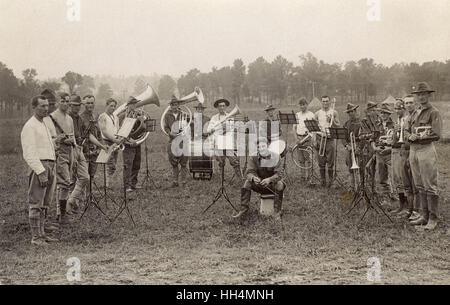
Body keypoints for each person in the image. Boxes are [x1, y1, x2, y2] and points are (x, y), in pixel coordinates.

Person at [21, 95, 59, 245]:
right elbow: (29, 153)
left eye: (47, 105)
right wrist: (40, 171)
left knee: (45, 202)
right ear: (34, 107)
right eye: (42, 106)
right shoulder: (30, 126)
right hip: (40, 167)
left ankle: (42, 234)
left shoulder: (43, 123)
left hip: (50, 164)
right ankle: (36, 237)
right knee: (36, 203)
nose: (46, 109)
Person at [407, 82, 442, 230]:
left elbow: (436, 134)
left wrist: (419, 138)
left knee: (430, 185)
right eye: (419, 94)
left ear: (429, 95)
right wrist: (409, 135)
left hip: (426, 149)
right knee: (419, 184)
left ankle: (433, 218)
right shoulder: (415, 112)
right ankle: (423, 215)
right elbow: (409, 129)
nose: (421, 97)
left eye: (424, 94)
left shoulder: (434, 112)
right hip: (413, 150)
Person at [232, 137, 286, 219]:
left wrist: (269, 180)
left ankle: (277, 212)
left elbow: (279, 174)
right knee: (247, 183)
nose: (261, 149)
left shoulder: (276, 156)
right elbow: (249, 172)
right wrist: (253, 178)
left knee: (280, 184)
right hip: (259, 184)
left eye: (263, 146)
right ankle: (243, 210)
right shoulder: (253, 157)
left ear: (268, 146)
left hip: (272, 185)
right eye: (258, 147)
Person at [50, 93, 76, 225]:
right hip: (60, 152)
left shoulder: (70, 118)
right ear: (57, 102)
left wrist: (73, 143)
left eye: (67, 101)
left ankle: (59, 213)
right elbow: (52, 137)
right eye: (63, 101)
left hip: (70, 151)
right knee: (65, 182)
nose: (65, 103)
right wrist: (63, 140)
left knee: (64, 184)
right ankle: (63, 215)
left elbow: (72, 136)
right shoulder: (52, 117)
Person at [208, 98, 243, 183]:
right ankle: (222, 179)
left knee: (234, 161)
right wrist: (212, 129)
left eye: (223, 106)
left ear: (226, 107)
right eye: (220, 106)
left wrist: (224, 128)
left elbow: (230, 131)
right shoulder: (214, 118)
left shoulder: (230, 117)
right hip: (218, 142)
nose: (222, 107)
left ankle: (240, 179)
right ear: (217, 107)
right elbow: (208, 129)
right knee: (221, 162)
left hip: (227, 142)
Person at [66, 95, 90, 213]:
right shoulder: (67, 118)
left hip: (79, 149)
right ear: (70, 105)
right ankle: (70, 206)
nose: (77, 108)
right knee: (71, 179)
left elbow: (86, 134)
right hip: (70, 150)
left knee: (85, 177)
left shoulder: (79, 119)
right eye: (74, 105)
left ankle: (71, 200)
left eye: (79, 105)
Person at [115, 98, 142, 192]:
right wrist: (129, 140)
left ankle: (133, 184)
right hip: (127, 143)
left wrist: (141, 120)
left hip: (137, 142)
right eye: (133, 104)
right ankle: (127, 186)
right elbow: (120, 131)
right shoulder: (122, 116)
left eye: (135, 104)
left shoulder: (138, 115)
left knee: (136, 164)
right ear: (128, 105)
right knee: (128, 165)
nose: (135, 106)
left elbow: (142, 128)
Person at [389, 99, 410, 217]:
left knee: (403, 178)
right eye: (396, 109)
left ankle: (407, 206)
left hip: (402, 150)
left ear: (404, 109)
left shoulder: (407, 119)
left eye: (399, 108)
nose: (397, 111)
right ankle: (401, 205)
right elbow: (394, 139)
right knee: (396, 178)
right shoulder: (397, 120)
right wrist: (394, 134)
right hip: (395, 149)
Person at [163, 96, 189, 187]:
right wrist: (169, 133)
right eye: (173, 105)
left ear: (178, 105)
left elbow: (190, 123)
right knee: (173, 162)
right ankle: (175, 181)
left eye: (176, 104)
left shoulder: (184, 114)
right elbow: (165, 127)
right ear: (170, 106)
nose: (175, 106)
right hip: (172, 139)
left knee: (184, 162)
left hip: (183, 140)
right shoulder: (167, 115)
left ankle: (184, 181)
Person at [371, 104, 394, 206]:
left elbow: (396, 140)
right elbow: (372, 139)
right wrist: (374, 148)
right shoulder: (376, 124)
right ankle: (386, 197)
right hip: (379, 152)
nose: (383, 115)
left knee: (395, 175)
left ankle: (396, 195)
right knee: (382, 175)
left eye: (385, 113)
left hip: (390, 152)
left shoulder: (393, 124)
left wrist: (389, 148)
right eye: (381, 113)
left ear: (389, 114)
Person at [314, 95, 340, 187]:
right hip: (320, 138)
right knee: (321, 161)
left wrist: (331, 121)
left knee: (330, 161)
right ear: (321, 102)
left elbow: (338, 125)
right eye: (323, 101)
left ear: (329, 102)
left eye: (327, 101)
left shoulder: (334, 112)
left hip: (330, 139)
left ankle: (331, 181)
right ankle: (323, 180)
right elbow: (314, 128)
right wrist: (314, 140)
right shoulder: (317, 113)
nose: (325, 103)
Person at [402, 95, 420, 221]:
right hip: (406, 151)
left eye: (411, 102)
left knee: (416, 183)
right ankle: (410, 208)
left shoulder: (418, 115)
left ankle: (417, 210)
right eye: (406, 103)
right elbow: (406, 134)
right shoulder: (407, 118)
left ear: (415, 103)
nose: (408, 105)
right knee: (407, 182)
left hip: (416, 151)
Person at [79, 95, 106, 178]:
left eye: (92, 103)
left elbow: (98, 133)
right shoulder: (80, 118)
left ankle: (90, 191)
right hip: (85, 153)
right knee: (84, 176)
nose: (90, 105)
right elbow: (81, 136)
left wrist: (100, 147)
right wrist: (87, 151)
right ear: (84, 104)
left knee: (92, 175)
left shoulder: (95, 116)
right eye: (88, 103)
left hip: (95, 152)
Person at [98, 98, 121, 188]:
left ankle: (108, 183)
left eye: (114, 106)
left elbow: (117, 129)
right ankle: (107, 184)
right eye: (111, 105)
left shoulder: (116, 117)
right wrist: (114, 140)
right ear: (106, 105)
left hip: (115, 142)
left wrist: (118, 139)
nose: (113, 107)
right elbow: (104, 131)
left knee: (113, 163)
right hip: (107, 142)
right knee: (110, 164)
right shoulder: (102, 116)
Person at [293, 98, 315, 180]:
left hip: (307, 138)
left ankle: (309, 177)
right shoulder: (297, 115)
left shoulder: (311, 115)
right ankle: (302, 177)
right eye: (301, 105)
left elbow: (314, 128)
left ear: (307, 105)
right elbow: (294, 128)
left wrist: (310, 138)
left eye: (304, 104)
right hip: (299, 138)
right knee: (301, 159)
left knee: (308, 159)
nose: (302, 106)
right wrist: (296, 139)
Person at [342, 103, 362, 191]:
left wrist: (359, 147)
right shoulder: (346, 123)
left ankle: (360, 185)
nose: (350, 114)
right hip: (350, 146)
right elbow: (343, 137)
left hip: (358, 145)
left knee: (360, 166)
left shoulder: (361, 122)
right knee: (350, 165)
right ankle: (352, 185)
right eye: (349, 112)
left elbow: (364, 137)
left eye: (352, 111)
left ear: (355, 111)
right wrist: (346, 145)